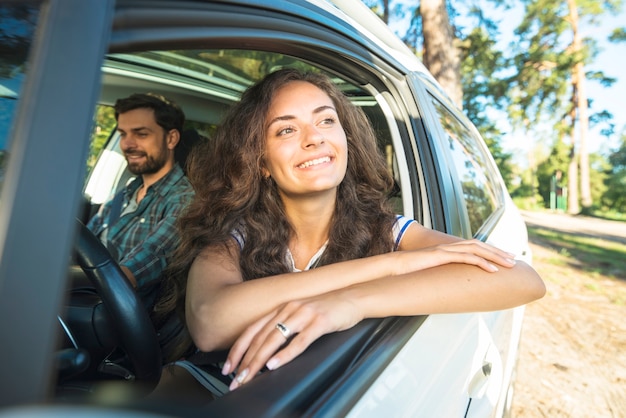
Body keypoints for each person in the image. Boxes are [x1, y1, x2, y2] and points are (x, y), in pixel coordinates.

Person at [154, 69, 545, 392]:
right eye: (286, 130)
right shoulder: (233, 235)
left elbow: (525, 280)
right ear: (261, 163)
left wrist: (350, 303)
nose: (314, 138)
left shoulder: (387, 229)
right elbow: (210, 322)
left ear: (345, 139)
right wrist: (392, 267)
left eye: (326, 120)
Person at [87, 93, 194, 307]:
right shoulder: (124, 193)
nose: (127, 144)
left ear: (171, 138)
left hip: (115, 313)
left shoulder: (185, 201)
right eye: (123, 134)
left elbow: (153, 256)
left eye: (141, 134)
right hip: (86, 298)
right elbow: (86, 241)